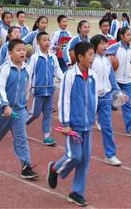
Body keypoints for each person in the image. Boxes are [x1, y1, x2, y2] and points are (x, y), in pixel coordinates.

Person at [47, 41, 98, 207]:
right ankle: (55, 168)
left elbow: (95, 98)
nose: (93, 58)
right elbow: (64, 100)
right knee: (74, 156)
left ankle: (76, 192)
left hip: (88, 125)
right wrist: (65, 123)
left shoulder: (93, 75)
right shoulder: (70, 75)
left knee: (85, 160)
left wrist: (94, 117)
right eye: (90, 55)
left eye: (93, 54)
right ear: (80, 57)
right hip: (73, 125)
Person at [0, 39, 38, 179]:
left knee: (21, 138)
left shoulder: (26, 69)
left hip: (18, 111)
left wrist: (23, 104)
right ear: (10, 52)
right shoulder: (4, 68)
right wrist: (5, 105)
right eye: (18, 50)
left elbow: (27, 88)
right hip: (3, 111)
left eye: (24, 49)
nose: (22, 52)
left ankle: (26, 166)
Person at [26, 32, 63, 146]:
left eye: (48, 40)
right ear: (38, 42)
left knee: (48, 114)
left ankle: (47, 136)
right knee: (34, 114)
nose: (47, 42)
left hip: (50, 90)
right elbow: (29, 73)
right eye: (44, 40)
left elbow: (58, 71)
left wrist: (65, 80)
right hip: (38, 90)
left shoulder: (52, 57)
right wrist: (29, 88)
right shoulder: (35, 58)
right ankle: (19, 127)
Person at [91, 34, 122, 166]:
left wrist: (118, 92)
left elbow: (112, 79)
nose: (105, 46)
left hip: (105, 98)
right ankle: (76, 152)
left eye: (106, 43)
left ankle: (110, 155)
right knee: (83, 126)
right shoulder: (90, 60)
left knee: (107, 127)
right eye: (102, 44)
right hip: (91, 98)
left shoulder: (107, 60)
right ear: (94, 46)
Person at [106, 27, 131, 137]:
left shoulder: (130, 48)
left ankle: (130, 128)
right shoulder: (115, 47)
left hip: (127, 81)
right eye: (128, 35)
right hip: (115, 81)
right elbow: (104, 54)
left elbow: (130, 61)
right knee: (108, 103)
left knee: (128, 104)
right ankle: (100, 118)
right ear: (121, 36)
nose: (130, 37)